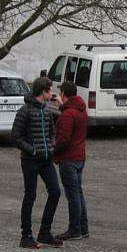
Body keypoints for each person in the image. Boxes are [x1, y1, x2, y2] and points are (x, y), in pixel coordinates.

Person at [11, 77, 62, 249]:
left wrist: (52, 146)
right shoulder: (25, 111)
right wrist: (32, 150)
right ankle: (26, 236)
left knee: (55, 191)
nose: (52, 93)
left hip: (46, 159)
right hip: (30, 160)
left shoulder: (47, 111)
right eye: (50, 90)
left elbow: (52, 132)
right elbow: (16, 137)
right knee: (30, 195)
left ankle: (45, 232)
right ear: (44, 92)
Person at [53, 81, 90, 241]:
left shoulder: (68, 114)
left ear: (64, 94)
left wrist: (54, 154)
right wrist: (62, 105)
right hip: (79, 156)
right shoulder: (80, 109)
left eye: (61, 93)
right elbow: (70, 111)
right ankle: (83, 227)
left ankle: (75, 228)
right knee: (78, 193)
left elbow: (63, 139)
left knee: (73, 195)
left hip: (69, 158)